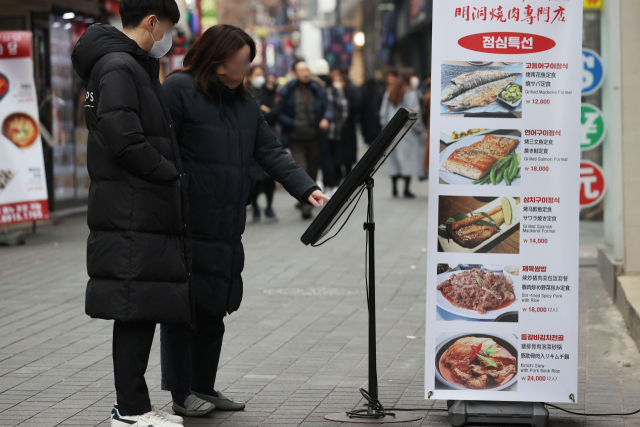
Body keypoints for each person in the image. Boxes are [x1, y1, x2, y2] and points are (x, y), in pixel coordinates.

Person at [159, 24, 329, 419]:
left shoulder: (245, 103)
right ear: (218, 62)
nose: (249, 69)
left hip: (226, 222)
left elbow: (270, 150)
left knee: (215, 307)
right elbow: (160, 150)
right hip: (185, 222)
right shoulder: (177, 91)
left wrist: (306, 188)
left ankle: (204, 385)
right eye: (243, 61)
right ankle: (181, 393)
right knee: (184, 311)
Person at [71, 1, 191, 426]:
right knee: (135, 309)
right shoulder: (120, 65)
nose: (168, 40)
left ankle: (133, 406)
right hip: (132, 207)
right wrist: (169, 173)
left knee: (140, 306)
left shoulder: (124, 64)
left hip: (136, 207)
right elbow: (124, 140)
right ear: (153, 22)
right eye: (169, 29)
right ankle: (130, 410)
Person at [278, 59, 334, 219]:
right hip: (296, 138)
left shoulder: (317, 89)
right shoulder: (288, 90)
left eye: (307, 70)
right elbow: (280, 112)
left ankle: (306, 199)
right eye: (301, 70)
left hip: (315, 137)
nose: (305, 73)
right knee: (301, 170)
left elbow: (328, 107)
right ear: (295, 73)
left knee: (313, 171)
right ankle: (306, 206)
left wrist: (326, 119)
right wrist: (293, 123)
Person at [379, 68, 425, 198]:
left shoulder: (390, 92)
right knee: (407, 160)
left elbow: (383, 112)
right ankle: (406, 189)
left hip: (391, 131)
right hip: (407, 132)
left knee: (393, 161)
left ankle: (394, 188)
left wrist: (385, 128)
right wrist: (420, 130)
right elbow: (415, 112)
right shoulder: (410, 92)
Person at [246, 65, 279, 221]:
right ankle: (255, 207)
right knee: (253, 178)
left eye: (262, 74)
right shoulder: (244, 92)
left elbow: (276, 112)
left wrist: (269, 111)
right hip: (250, 140)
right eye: (256, 74)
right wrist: (262, 109)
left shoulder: (269, 92)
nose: (260, 77)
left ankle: (270, 207)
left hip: (267, 138)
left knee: (269, 177)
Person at [329, 69, 359, 184]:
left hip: (348, 130)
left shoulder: (350, 92)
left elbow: (356, 107)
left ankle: (348, 176)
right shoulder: (331, 94)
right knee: (336, 157)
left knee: (347, 157)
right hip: (335, 130)